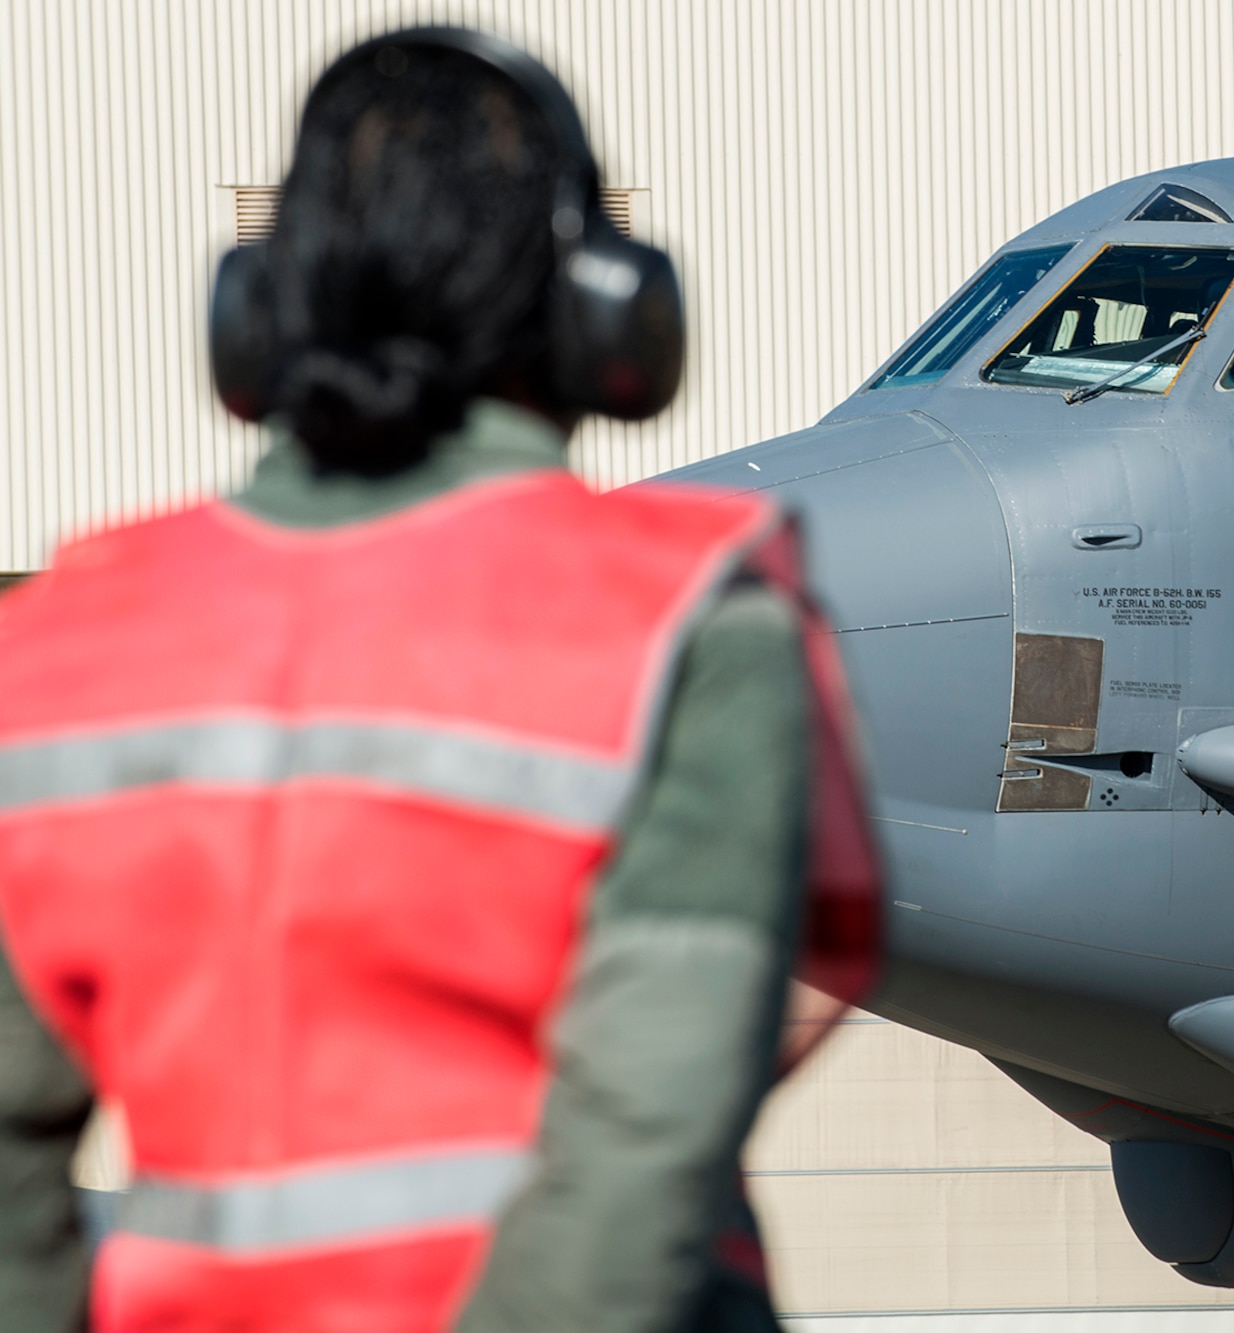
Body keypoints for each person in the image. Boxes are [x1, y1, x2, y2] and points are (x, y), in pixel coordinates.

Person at [0, 28, 878, 1333]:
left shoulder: (64, 635)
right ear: (602, 312)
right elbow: (648, 1130)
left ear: (258, 310)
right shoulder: (685, 613)